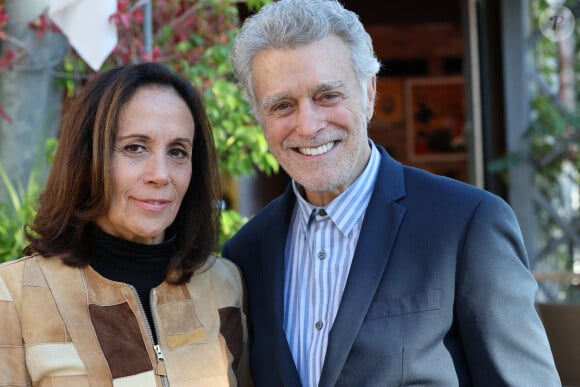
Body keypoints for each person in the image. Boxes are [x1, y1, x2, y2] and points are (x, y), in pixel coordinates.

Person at [221, 1, 561, 386]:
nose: (308, 124)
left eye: (327, 96)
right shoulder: (245, 254)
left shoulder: (468, 226)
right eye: (282, 105)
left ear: (368, 94)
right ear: (259, 119)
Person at [0, 62, 250, 386]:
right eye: (135, 147)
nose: (160, 174)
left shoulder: (223, 284)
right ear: (88, 158)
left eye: (177, 151)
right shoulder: (15, 294)